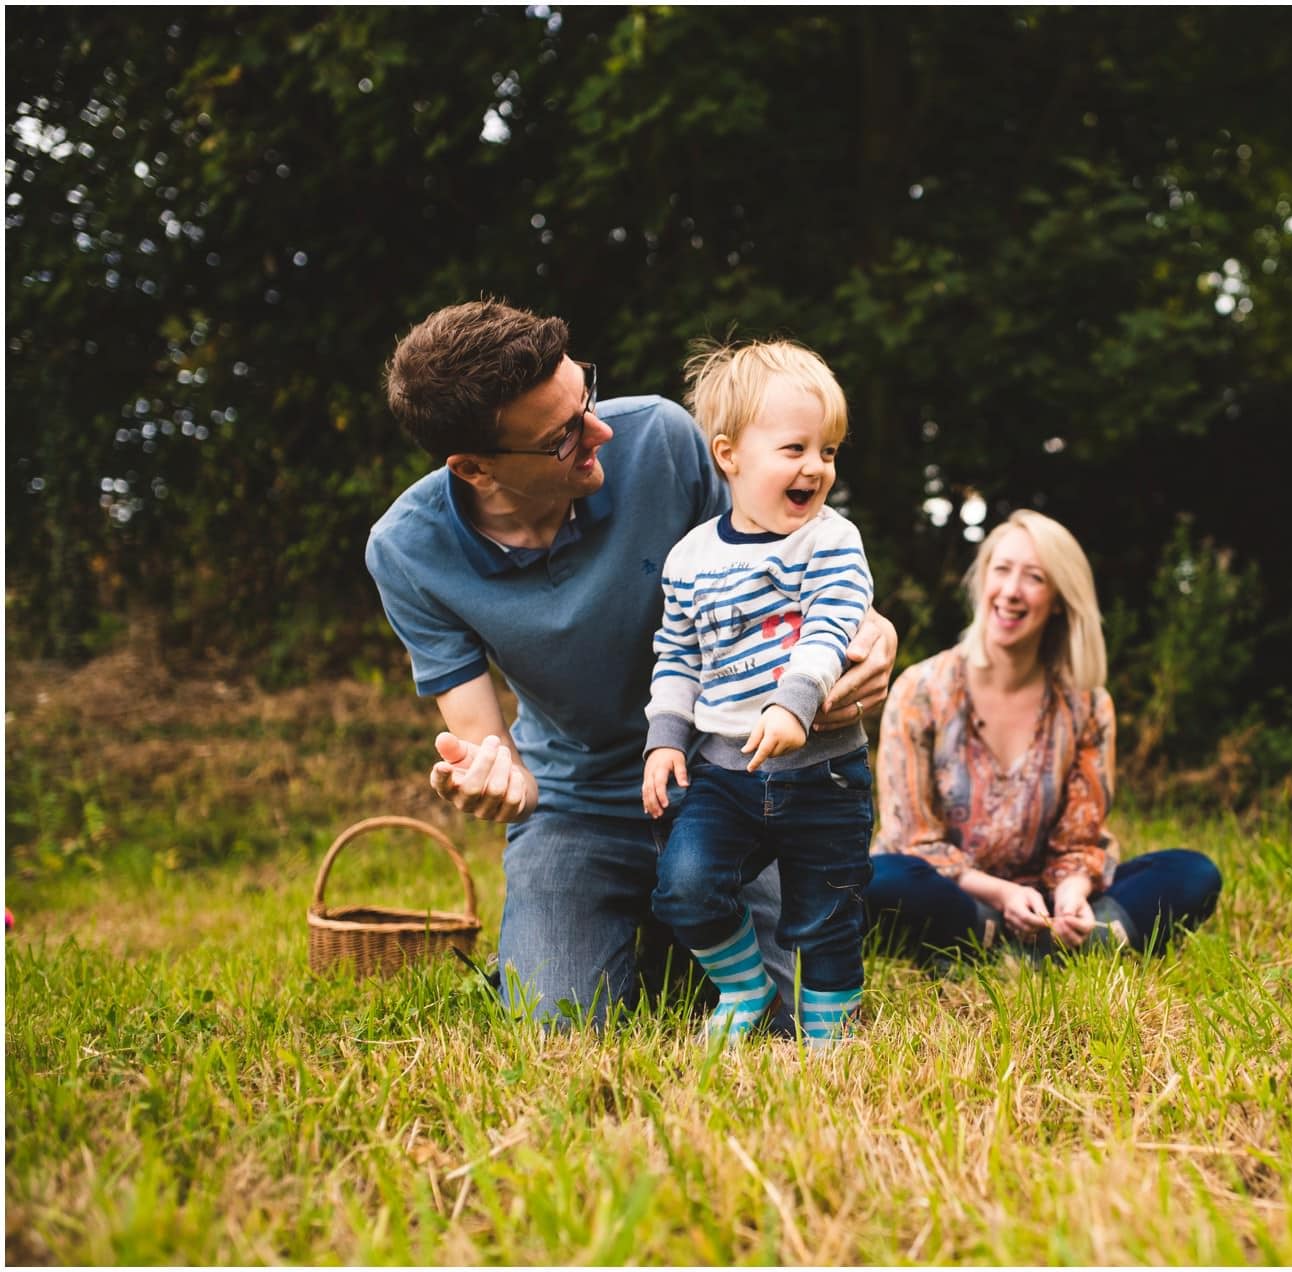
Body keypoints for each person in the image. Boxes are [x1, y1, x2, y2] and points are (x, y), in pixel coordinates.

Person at [365, 300, 895, 1027]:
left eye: (584, 394)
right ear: (475, 468)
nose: (600, 432)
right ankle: (625, 928)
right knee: (556, 1022)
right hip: (577, 806)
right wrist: (496, 781)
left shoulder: (661, 441)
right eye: (562, 437)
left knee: (784, 1019)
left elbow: (787, 552)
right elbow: (487, 744)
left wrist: (871, 628)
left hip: (728, 780)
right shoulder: (407, 550)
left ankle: (681, 927)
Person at [640, 340, 875, 1048]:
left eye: (828, 451)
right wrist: (664, 741)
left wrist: (793, 702)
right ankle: (744, 988)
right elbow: (677, 655)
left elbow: (832, 623)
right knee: (685, 884)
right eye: (794, 448)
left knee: (827, 915)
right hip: (726, 771)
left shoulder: (831, 541)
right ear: (729, 456)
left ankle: (829, 1040)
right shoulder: (690, 558)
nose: (816, 467)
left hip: (824, 771)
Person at [865, 510, 1221, 961]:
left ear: (1058, 599)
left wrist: (1072, 894)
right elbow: (912, 840)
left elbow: (1080, 838)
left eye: (1034, 577)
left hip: (1045, 899)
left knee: (1192, 873)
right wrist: (1002, 895)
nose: (1011, 590)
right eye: (1002, 570)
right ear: (983, 580)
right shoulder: (921, 689)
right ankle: (1002, 934)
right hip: (952, 892)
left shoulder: (1086, 704)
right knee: (877, 878)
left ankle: (1056, 937)